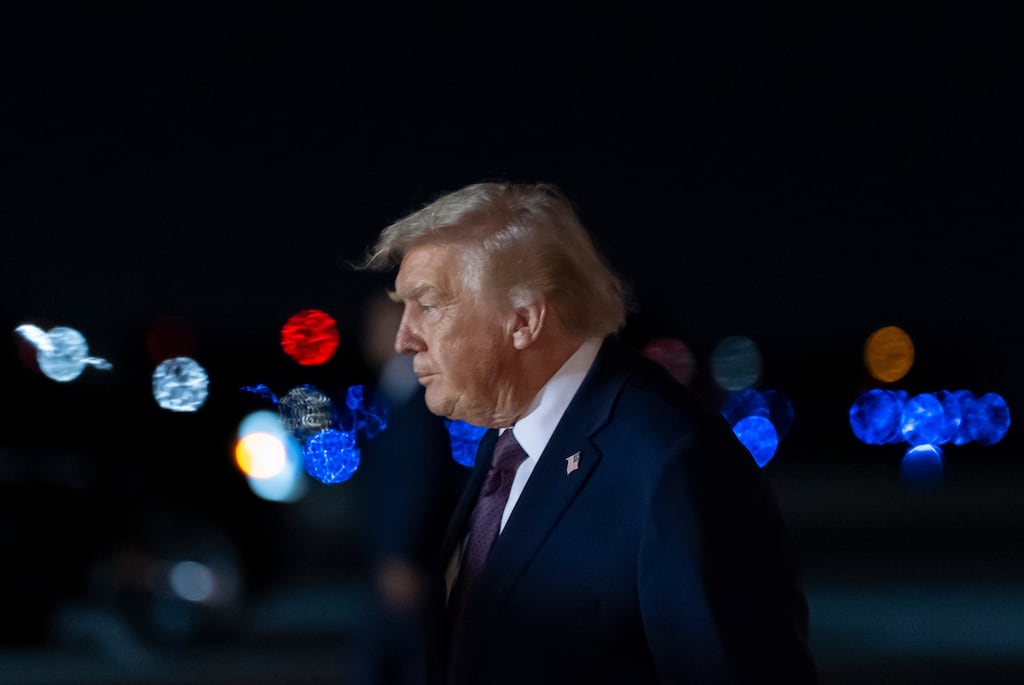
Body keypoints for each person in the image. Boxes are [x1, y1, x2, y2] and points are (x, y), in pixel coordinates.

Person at [359, 182, 816, 684]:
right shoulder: (512, 437)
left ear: (523, 321)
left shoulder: (672, 462)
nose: (404, 339)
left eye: (427, 305)